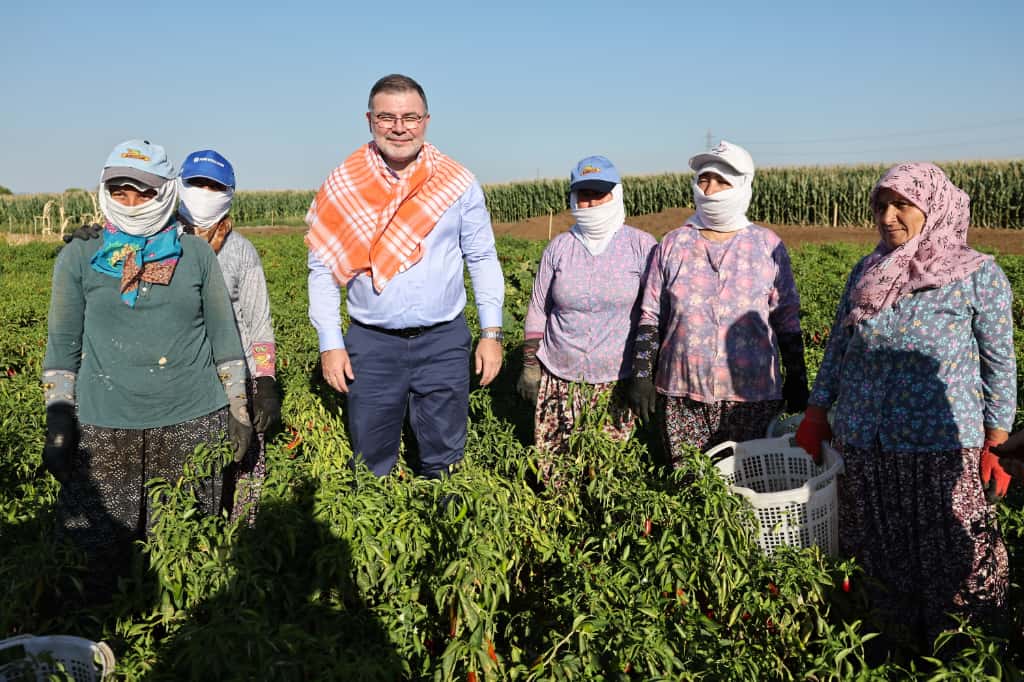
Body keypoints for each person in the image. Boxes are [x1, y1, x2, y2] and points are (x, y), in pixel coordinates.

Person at [794, 162, 1016, 652]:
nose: (888, 216)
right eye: (881, 206)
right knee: (875, 557)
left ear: (933, 207)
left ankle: (963, 654)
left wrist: (998, 441)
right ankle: (890, 652)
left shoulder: (978, 274)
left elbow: (1000, 361)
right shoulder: (867, 271)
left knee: (955, 559)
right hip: (864, 442)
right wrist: (816, 413)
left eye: (902, 205)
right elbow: (838, 347)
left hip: (941, 446)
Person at [41, 139, 251, 595]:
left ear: (166, 193)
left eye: (144, 192)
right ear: (104, 191)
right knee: (92, 563)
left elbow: (225, 340)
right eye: (120, 191)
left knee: (184, 555)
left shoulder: (194, 255)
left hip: (190, 424)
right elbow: (62, 344)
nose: (131, 203)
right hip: (103, 429)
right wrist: (58, 419)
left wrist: (239, 409)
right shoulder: (80, 256)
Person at [306, 74, 504, 478]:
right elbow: (322, 269)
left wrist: (491, 333)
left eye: (410, 117)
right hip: (372, 344)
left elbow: (482, 257)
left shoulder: (456, 182)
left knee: (444, 457)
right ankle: (372, 533)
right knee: (370, 458)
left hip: (443, 340)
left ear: (426, 121)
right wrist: (330, 344)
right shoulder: (343, 185)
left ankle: (444, 532)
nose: (399, 127)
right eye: (387, 117)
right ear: (369, 120)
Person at [629, 141, 807, 466]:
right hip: (682, 392)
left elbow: (786, 317)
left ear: (742, 185)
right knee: (690, 488)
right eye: (703, 180)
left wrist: (797, 376)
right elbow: (650, 315)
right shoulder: (673, 243)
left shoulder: (767, 246)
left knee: (748, 488)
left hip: (751, 396)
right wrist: (642, 375)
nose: (710, 190)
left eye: (722, 181)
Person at [517, 156, 655, 476]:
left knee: (608, 474)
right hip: (559, 379)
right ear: (573, 198)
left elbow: (653, 312)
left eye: (599, 194)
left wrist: (645, 373)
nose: (591, 202)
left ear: (616, 195)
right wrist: (529, 366)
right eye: (583, 195)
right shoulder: (559, 248)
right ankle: (558, 521)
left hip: (617, 383)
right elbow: (539, 308)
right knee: (558, 469)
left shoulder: (641, 246)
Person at [177, 150, 281, 524]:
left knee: (245, 469)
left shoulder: (241, 251)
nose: (204, 192)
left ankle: (242, 550)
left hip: (241, 377)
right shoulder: (160, 244)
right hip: (185, 379)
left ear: (229, 194)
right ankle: (194, 546)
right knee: (193, 474)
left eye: (214, 186)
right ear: (180, 186)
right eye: (197, 183)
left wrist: (266, 381)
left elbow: (258, 323)